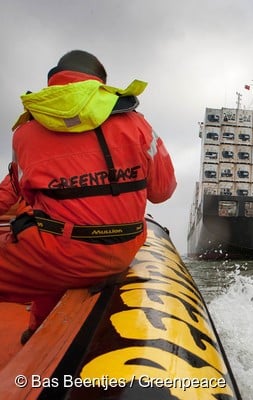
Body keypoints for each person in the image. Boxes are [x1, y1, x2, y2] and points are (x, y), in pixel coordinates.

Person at [0, 50, 177, 343]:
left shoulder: (26, 132)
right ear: (101, 84)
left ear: (51, 84)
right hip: (125, 249)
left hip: (62, 256)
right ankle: (37, 332)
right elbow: (162, 192)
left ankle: (35, 337)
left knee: (45, 235)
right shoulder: (137, 123)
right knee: (50, 236)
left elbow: (21, 195)